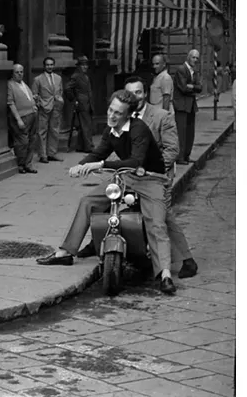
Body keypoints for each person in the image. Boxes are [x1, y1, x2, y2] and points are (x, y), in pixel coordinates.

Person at [36, 90, 178, 295]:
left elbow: (135, 160)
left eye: (118, 113)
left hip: (151, 179)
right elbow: (99, 152)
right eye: (111, 110)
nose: (112, 116)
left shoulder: (139, 129)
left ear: (128, 115)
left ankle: (164, 274)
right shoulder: (110, 131)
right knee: (88, 201)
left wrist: (99, 165)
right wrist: (81, 166)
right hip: (125, 177)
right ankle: (66, 252)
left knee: (156, 224)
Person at [77, 77, 198, 278]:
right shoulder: (119, 118)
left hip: (153, 175)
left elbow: (172, 149)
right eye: (131, 93)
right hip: (128, 174)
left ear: (145, 94)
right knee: (103, 197)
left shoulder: (161, 116)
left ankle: (186, 260)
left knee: (162, 217)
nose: (136, 96)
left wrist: (149, 170)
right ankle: (96, 241)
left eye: (139, 92)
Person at [6, 64, 39, 174]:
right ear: (13, 73)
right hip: (21, 116)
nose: (20, 74)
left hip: (32, 114)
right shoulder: (10, 84)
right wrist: (18, 119)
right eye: (17, 72)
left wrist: (33, 102)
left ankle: (28, 164)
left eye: (21, 72)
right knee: (22, 142)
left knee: (32, 140)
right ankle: (20, 164)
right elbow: (10, 103)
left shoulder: (24, 84)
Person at [31, 57, 65, 163]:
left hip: (56, 107)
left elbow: (60, 91)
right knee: (42, 132)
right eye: (47, 65)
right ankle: (43, 155)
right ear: (44, 66)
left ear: (53, 65)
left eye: (51, 65)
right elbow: (34, 94)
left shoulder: (58, 78)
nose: (49, 67)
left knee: (55, 130)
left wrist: (59, 101)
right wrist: (39, 103)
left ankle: (52, 153)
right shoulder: (38, 79)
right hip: (44, 108)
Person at [172, 49, 203, 163]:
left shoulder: (194, 71)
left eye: (197, 58)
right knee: (181, 132)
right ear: (188, 57)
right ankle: (180, 157)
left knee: (190, 132)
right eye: (193, 57)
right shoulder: (181, 69)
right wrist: (193, 87)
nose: (195, 60)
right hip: (181, 105)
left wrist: (192, 87)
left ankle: (186, 155)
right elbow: (183, 88)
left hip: (190, 106)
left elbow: (200, 88)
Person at [64, 56, 95, 152]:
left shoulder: (85, 76)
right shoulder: (76, 76)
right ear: (79, 66)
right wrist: (74, 99)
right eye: (83, 65)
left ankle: (81, 146)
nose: (85, 67)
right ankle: (89, 146)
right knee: (86, 125)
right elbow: (67, 88)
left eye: (86, 65)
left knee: (84, 126)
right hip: (81, 103)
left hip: (87, 103)